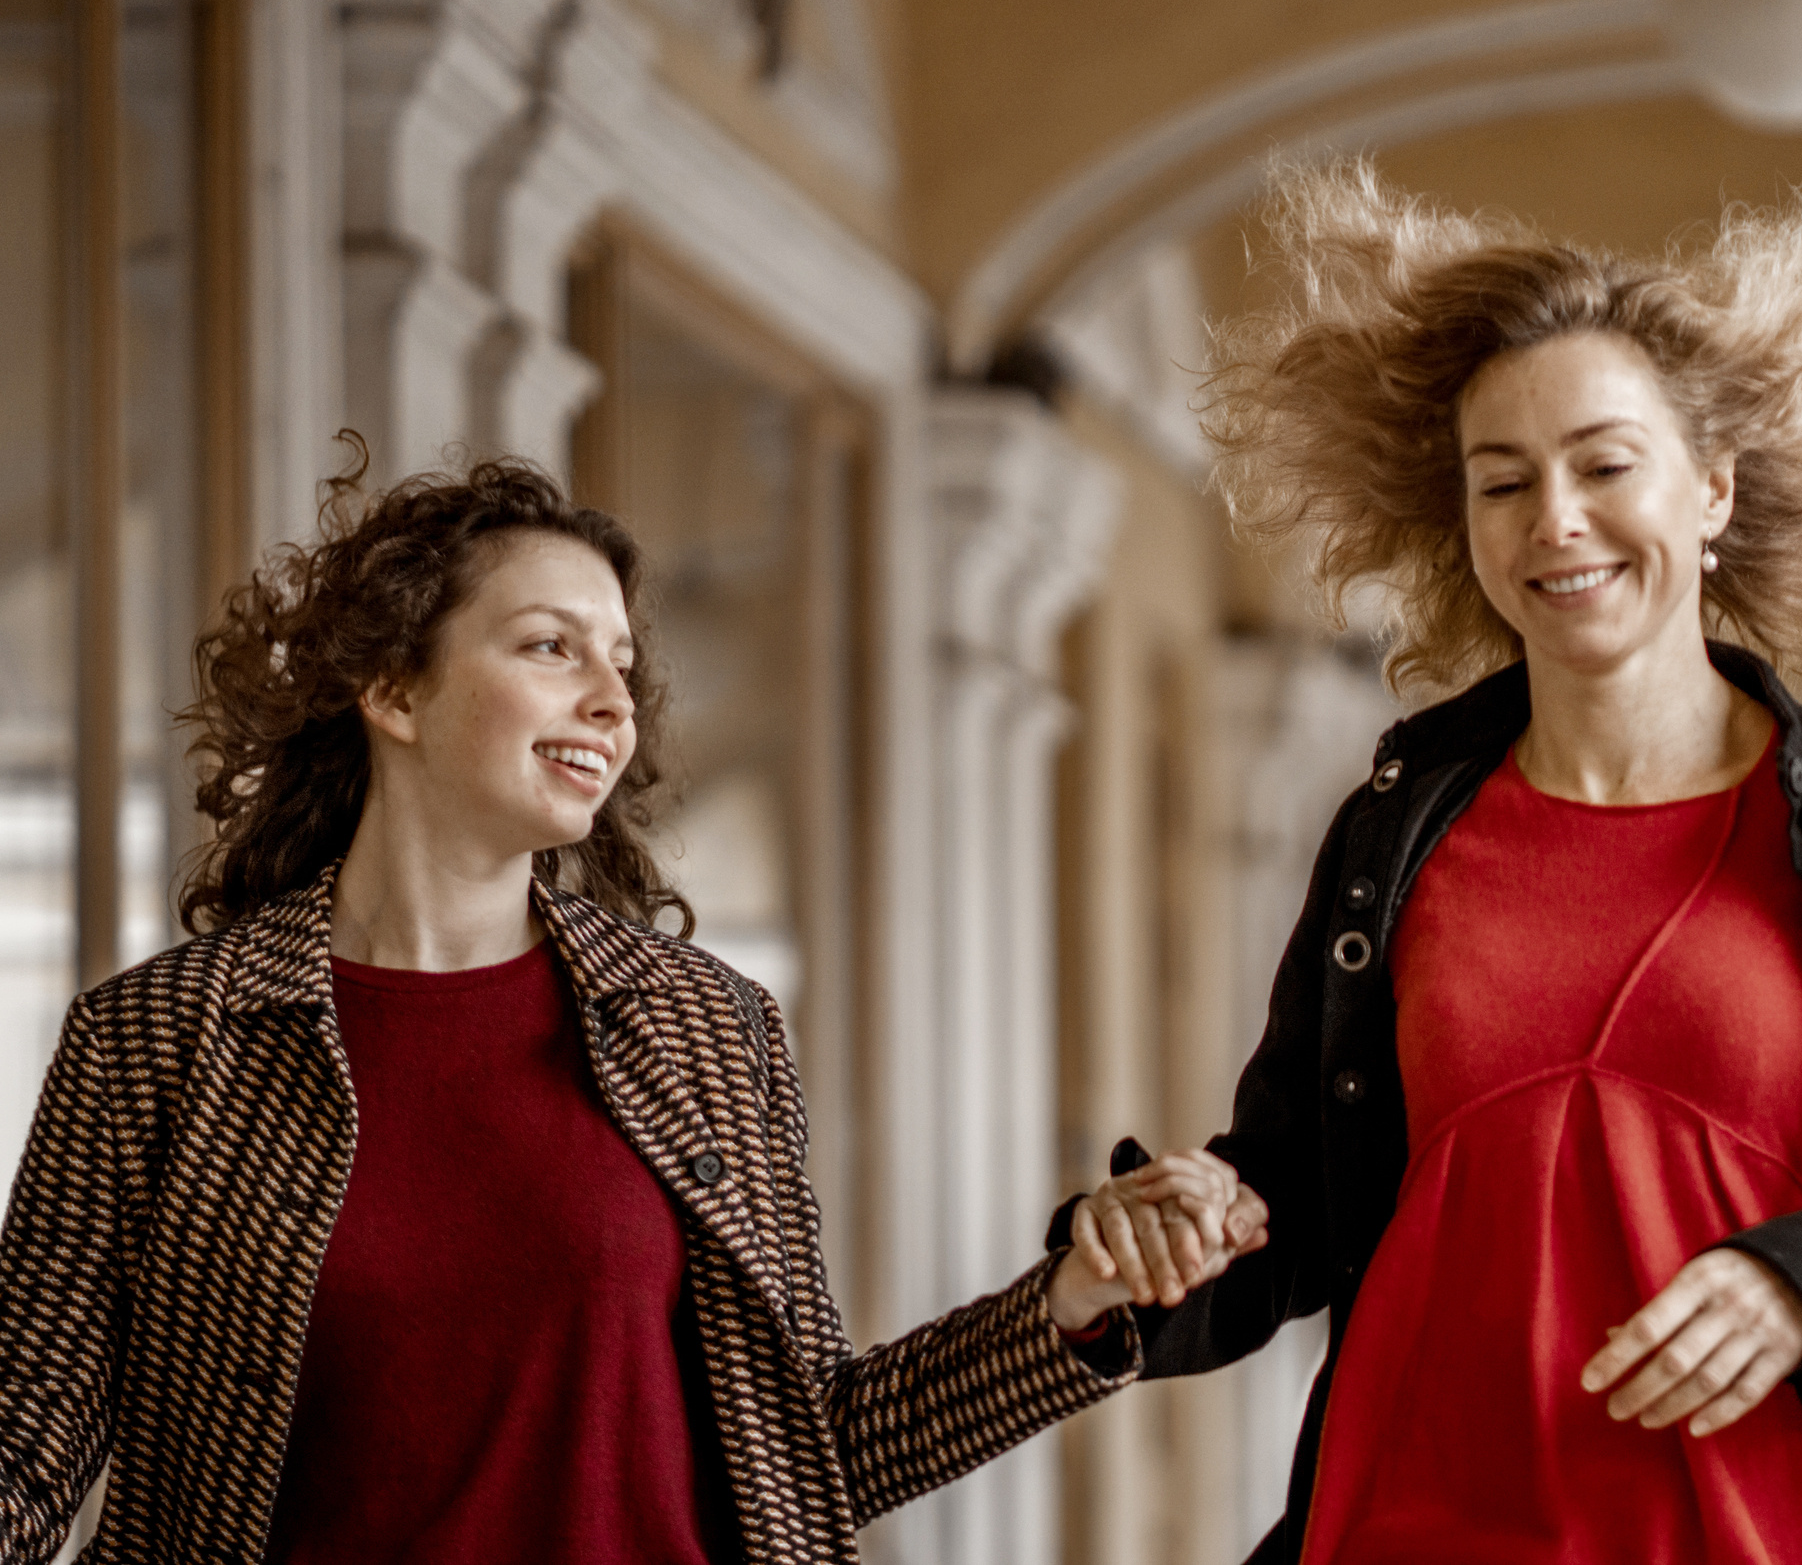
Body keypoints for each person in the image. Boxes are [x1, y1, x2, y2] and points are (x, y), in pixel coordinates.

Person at [1061, 163, 1802, 1565]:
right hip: (1423, 1508)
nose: (1553, 519)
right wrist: (1142, 1252)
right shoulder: (1392, 836)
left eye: (1604, 464)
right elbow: (1296, 1197)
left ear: (1713, 489)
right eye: (1501, 481)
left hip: (1786, 1525)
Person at [0, 445, 1261, 1565]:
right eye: (550, 647)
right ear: (393, 691)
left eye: (621, 663)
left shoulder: (707, 1028)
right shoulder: (161, 1039)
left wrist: (1073, 1299)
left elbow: (806, 1449)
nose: (610, 700)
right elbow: (28, 1441)